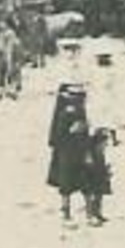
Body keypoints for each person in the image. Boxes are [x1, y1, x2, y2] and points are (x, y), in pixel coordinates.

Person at [46, 83, 92, 222]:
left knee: (83, 183)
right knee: (68, 183)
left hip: (77, 150)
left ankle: (87, 211)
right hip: (67, 151)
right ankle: (68, 212)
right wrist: (72, 130)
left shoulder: (75, 109)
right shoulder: (66, 111)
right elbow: (59, 134)